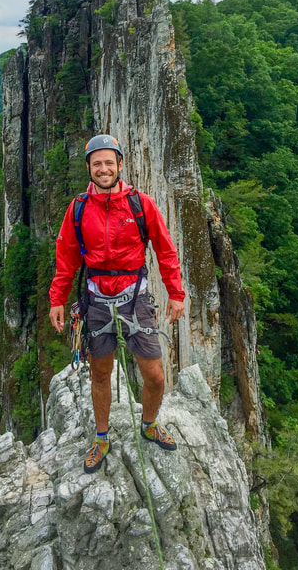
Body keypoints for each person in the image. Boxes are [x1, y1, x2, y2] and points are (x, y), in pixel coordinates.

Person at [49, 134, 186, 473]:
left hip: (135, 297)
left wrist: (177, 293)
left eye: (109, 162)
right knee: (100, 373)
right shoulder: (79, 209)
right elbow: (66, 257)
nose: (104, 168)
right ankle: (100, 437)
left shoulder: (140, 204)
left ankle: (149, 423)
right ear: (89, 168)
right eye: (97, 163)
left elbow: (165, 249)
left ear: (120, 165)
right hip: (96, 298)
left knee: (154, 375)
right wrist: (57, 300)